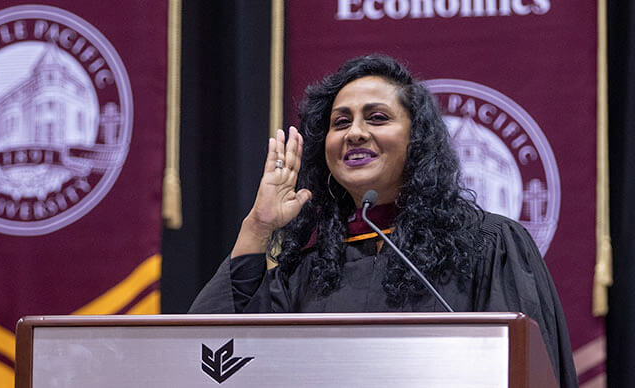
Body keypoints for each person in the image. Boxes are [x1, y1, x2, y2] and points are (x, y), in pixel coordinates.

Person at [188, 54, 578, 387]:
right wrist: (258, 225)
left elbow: (523, 369)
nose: (355, 132)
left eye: (376, 118)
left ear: (417, 140)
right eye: (340, 123)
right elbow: (207, 358)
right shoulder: (310, 272)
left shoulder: (488, 245)